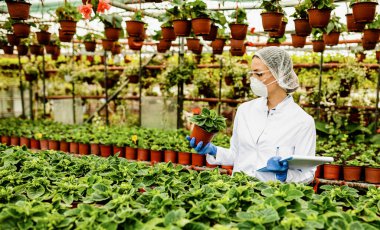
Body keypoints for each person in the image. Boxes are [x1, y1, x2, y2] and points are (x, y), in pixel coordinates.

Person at [187, 47, 316, 183]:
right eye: (252, 74)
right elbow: (236, 154)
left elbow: (308, 173)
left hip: (274, 199)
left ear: (280, 74)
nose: (252, 79)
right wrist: (213, 150)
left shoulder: (302, 121)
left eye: (259, 74)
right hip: (239, 193)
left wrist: (285, 176)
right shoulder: (245, 110)